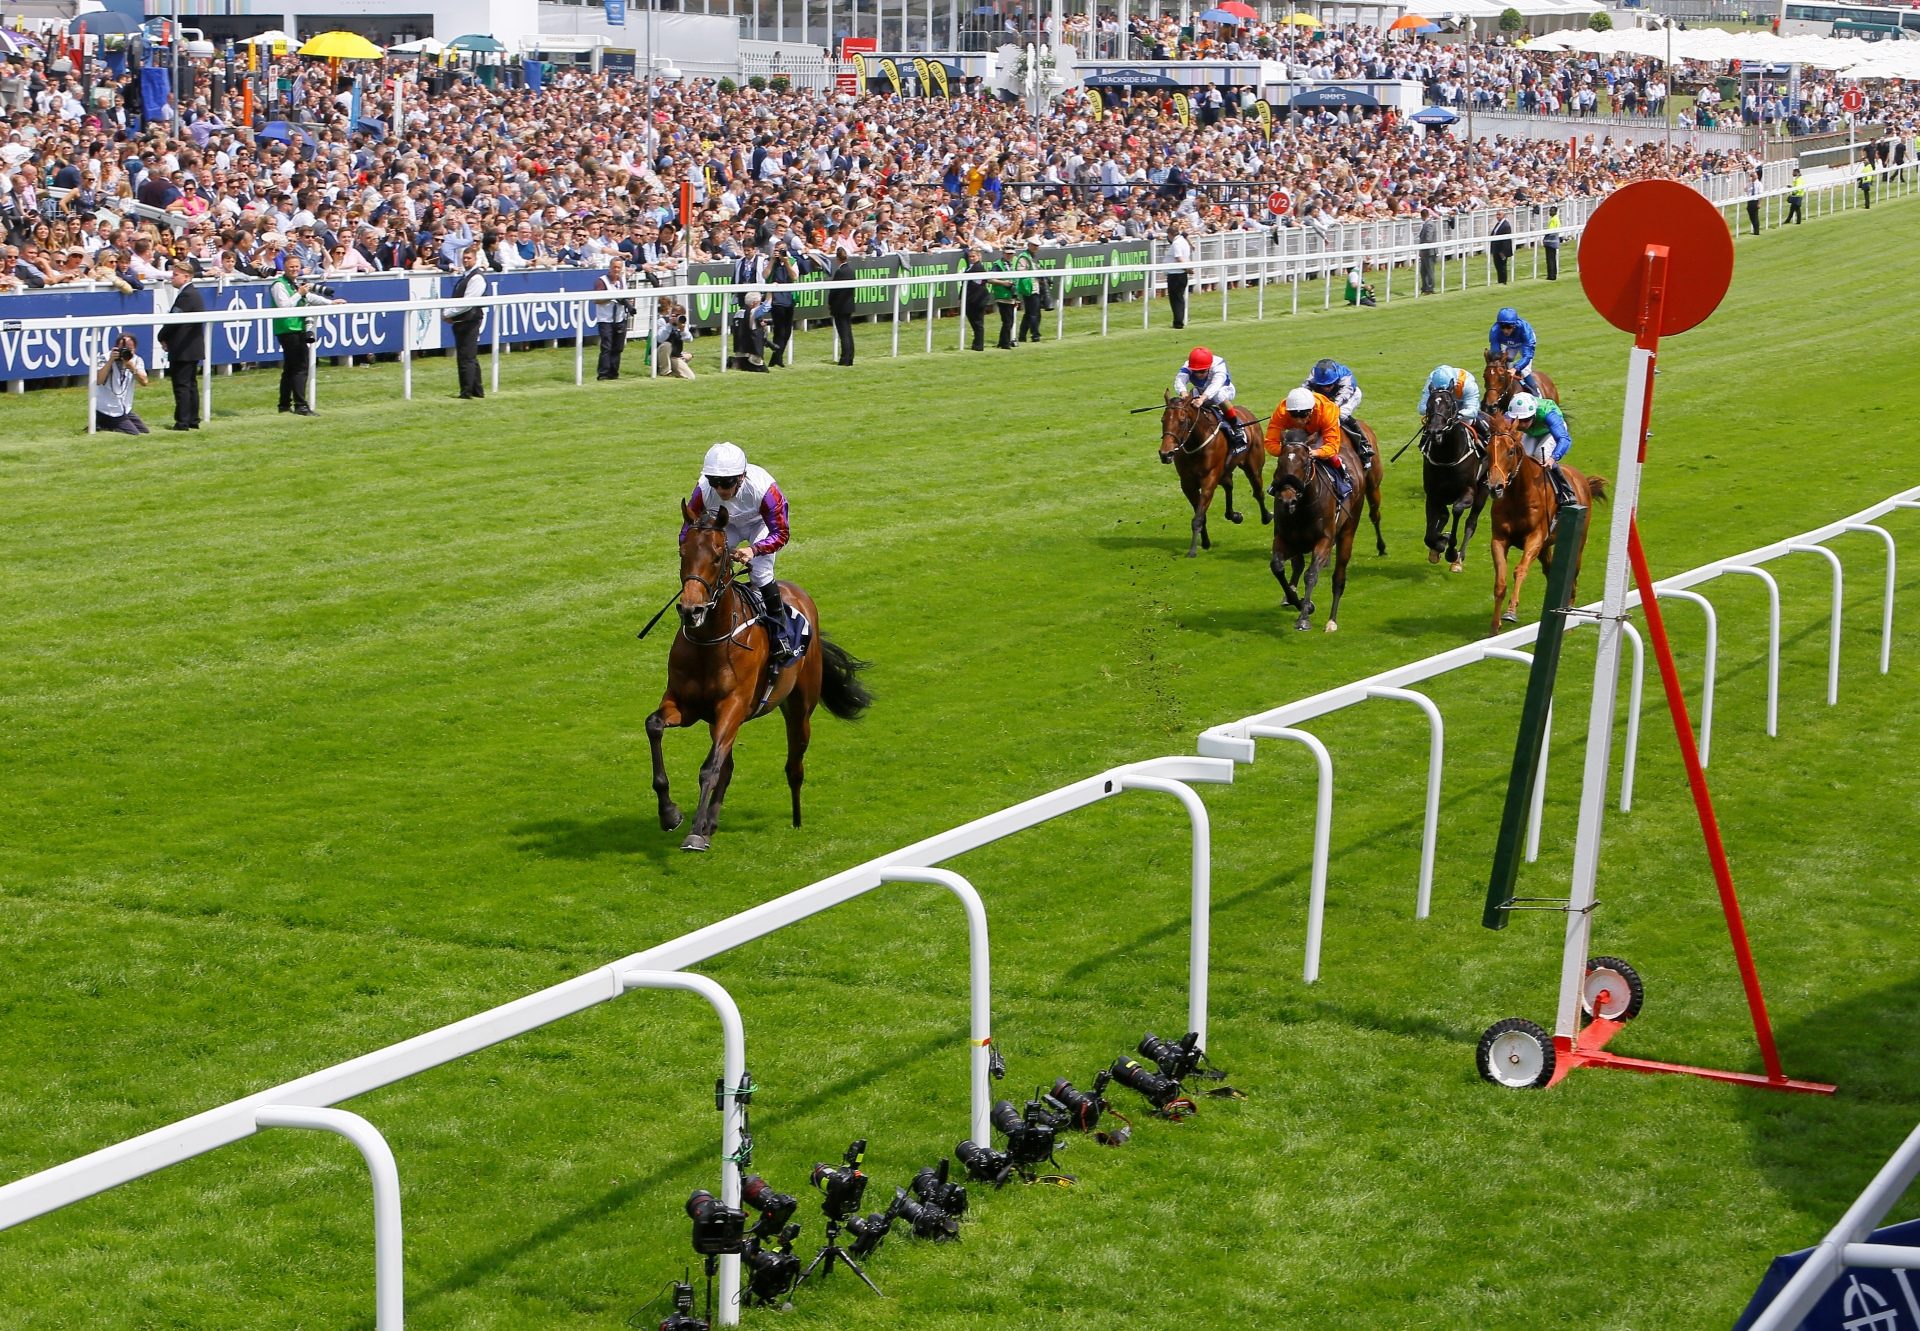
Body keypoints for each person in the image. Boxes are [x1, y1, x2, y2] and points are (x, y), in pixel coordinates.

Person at [679, 441, 800, 667]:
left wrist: (754, 550)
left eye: (727, 483)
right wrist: (688, 552)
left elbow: (781, 533)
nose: (720, 489)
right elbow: (689, 527)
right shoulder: (703, 490)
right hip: (727, 524)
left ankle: (780, 634)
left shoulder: (765, 490)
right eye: (714, 482)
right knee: (707, 559)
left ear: (741, 477)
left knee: (761, 573)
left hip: (760, 524)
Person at [268, 254, 339, 416]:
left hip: (295, 328)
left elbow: (310, 297)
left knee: (290, 368)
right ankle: (301, 405)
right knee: (300, 367)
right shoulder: (279, 285)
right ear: (284, 267)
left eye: (296, 266)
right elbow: (284, 306)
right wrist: (299, 293)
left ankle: (284, 405)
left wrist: (330, 302)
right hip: (288, 329)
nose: (294, 269)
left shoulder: (293, 283)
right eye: (291, 266)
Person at [1266, 387, 1352, 502]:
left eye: (1303, 415)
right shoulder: (1282, 411)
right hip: (1299, 432)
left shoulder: (1327, 412)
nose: (1298, 420)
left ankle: (1343, 478)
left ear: (1311, 410)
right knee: (1290, 458)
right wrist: (1285, 451)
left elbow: (1332, 446)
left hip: (1321, 429)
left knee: (1329, 456)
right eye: (1293, 415)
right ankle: (1276, 483)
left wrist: (1316, 452)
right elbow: (1270, 442)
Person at [1171, 346, 1249, 454]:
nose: (1198, 375)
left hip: (1224, 389)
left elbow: (1216, 385)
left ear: (1209, 367)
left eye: (1202, 371)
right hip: (1201, 391)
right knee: (1191, 397)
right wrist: (1183, 393)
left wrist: (1202, 398)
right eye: (1195, 371)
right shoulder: (1188, 365)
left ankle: (1236, 426)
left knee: (1218, 395)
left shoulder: (1218, 365)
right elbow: (1179, 379)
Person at [1506, 392, 1577, 508]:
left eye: (1526, 419)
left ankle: (1566, 490)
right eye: (1519, 420)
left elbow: (1564, 439)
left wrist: (1553, 458)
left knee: (1541, 454)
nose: (1522, 424)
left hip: (1550, 431)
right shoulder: (1509, 416)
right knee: (1522, 457)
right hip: (1533, 432)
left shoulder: (1548, 414)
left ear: (1534, 415)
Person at [158, 259, 205, 431]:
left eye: (175, 275)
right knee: (190, 384)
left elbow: (174, 321)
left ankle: (183, 421)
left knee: (182, 385)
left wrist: (161, 336)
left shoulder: (186, 295)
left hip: (183, 348)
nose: (172, 277)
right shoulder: (192, 294)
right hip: (191, 348)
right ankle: (193, 419)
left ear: (186, 277)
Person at [1304, 358, 1372, 464]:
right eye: (1322, 386)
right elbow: (1304, 389)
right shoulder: (1314, 374)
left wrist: (1332, 408)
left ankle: (1364, 445)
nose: (1325, 388)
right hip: (1328, 398)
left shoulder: (1346, 379)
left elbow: (1343, 397)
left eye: (1329, 385)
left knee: (1339, 415)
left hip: (1349, 396)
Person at [446, 243, 488, 399]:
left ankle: (466, 392)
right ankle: (477, 390)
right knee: (469, 356)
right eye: (464, 258)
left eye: (469, 258)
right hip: (463, 320)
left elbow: (467, 303)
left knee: (466, 357)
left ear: (475, 259)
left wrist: (448, 314)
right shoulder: (466, 276)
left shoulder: (476, 278)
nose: (465, 260)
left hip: (469, 320)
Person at [92, 332, 150, 434]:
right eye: (123, 349)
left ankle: (104, 425)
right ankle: (104, 423)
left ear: (135, 349)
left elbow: (144, 382)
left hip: (125, 408)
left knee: (144, 431)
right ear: (116, 348)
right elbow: (99, 380)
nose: (126, 352)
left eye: (130, 349)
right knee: (134, 433)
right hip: (108, 409)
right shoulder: (104, 358)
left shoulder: (136, 360)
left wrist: (132, 368)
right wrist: (110, 361)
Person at [591, 254, 635, 380]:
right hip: (606, 320)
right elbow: (596, 300)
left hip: (620, 318)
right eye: (614, 267)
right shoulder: (602, 281)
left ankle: (614, 373)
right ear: (610, 267)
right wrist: (611, 297)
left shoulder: (622, 281)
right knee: (607, 347)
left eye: (618, 267)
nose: (616, 270)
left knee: (618, 347)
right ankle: (603, 374)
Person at [1418, 365, 1487, 442]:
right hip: (1442, 409)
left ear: (1454, 384)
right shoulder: (1432, 381)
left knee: (1469, 421)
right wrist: (1438, 412)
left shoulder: (1468, 384)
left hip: (1462, 405)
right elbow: (1421, 408)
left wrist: (1456, 414)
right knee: (1433, 424)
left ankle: (1486, 438)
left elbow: (1472, 411)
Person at [1489, 307, 1540, 395]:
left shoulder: (1525, 331)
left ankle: (1536, 393)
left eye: (1509, 327)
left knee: (1525, 371)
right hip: (1510, 344)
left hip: (1524, 342)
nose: (1505, 331)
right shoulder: (1495, 331)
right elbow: (1496, 353)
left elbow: (1527, 356)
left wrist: (1515, 368)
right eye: (1502, 327)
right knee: (1503, 365)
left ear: (1514, 325)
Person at [767, 240, 802, 367]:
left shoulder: (792, 261)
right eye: (778, 250)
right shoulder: (770, 261)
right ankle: (776, 358)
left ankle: (777, 358)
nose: (780, 252)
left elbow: (794, 277)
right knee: (779, 330)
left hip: (789, 298)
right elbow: (765, 275)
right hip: (776, 299)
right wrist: (772, 260)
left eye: (782, 250)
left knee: (787, 331)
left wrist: (786, 262)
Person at [985, 246, 1018, 349]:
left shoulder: (1014, 263)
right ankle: (1004, 343)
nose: (1009, 256)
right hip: (1002, 296)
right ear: (1003, 254)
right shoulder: (997, 265)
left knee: (1009, 321)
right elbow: (990, 279)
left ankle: (1003, 342)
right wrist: (1004, 283)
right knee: (1008, 321)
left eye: (1011, 254)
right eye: (1007, 254)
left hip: (1011, 295)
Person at [828, 245, 856, 366]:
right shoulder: (850, 270)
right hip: (848, 306)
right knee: (848, 332)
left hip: (839, 307)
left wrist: (830, 303)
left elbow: (834, 291)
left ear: (837, 259)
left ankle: (845, 359)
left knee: (844, 334)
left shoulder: (840, 272)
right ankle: (850, 357)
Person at [1015, 239, 1043, 343]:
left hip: (1035, 287)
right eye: (1034, 245)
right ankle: (1035, 335)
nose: (1036, 247)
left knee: (1029, 313)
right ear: (1029, 245)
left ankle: (1022, 336)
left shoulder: (1033, 256)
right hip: (1029, 288)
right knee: (1034, 313)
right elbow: (1020, 271)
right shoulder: (1024, 256)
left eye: (1037, 246)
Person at [961, 243, 988, 351]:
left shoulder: (979, 267)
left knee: (978, 323)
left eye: (973, 256)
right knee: (975, 323)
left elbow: (977, 284)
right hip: (971, 299)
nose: (971, 258)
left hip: (978, 299)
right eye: (970, 256)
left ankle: (979, 345)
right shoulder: (970, 267)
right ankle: (976, 343)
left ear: (979, 256)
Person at [1165, 222, 1192, 329]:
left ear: (1170, 234)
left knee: (1176, 299)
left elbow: (1179, 258)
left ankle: (1178, 322)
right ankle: (1179, 320)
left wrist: (1187, 269)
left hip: (1176, 274)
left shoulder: (1176, 243)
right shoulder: (1183, 241)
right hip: (1181, 274)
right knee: (1179, 298)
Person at [1490, 215, 1514, 284]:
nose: (1497, 216)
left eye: (1499, 215)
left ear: (1503, 216)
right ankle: (1500, 281)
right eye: (1497, 215)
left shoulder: (1506, 225)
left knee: (1502, 266)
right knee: (1498, 266)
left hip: (1501, 251)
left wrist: (1503, 252)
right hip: (1496, 249)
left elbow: (1506, 240)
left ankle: (1503, 282)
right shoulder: (1499, 224)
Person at [1543, 205, 1563, 280]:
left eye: (1551, 211)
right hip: (1554, 241)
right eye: (1550, 211)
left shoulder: (1554, 219)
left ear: (1555, 212)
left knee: (1550, 259)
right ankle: (1553, 274)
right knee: (1553, 259)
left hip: (1550, 242)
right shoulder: (1556, 219)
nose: (1550, 212)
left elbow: (1550, 231)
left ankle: (1551, 275)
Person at [1745, 172, 1762, 236]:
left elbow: (1760, 194)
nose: (1756, 177)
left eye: (1755, 176)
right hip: (1749, 201)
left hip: (1755, 201)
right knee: (1751, 217)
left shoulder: (1759, 184)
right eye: (1753, 176)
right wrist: (1748, 183)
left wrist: (1759, 203)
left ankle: (1756, 231)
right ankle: (1755, 229)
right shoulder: (1749, 184)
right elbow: (1745, 190)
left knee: (1755, 216)